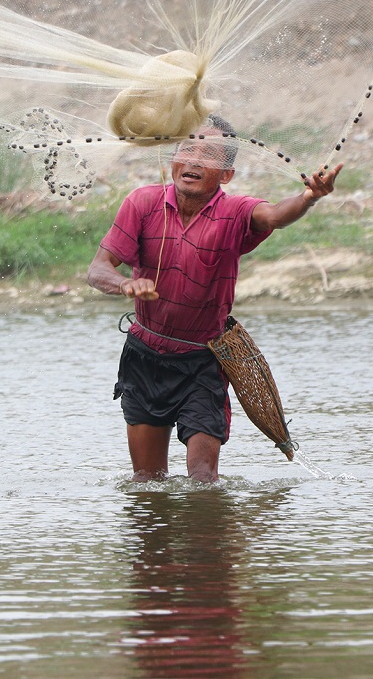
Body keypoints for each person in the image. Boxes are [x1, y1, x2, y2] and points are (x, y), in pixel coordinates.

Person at [87, 115, 341, 483]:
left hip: (202, 361)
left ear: (226, 175)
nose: (192, 159)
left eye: (207, 154)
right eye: (186, 148)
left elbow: (274, 215)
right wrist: (124, 285)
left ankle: (205, 538)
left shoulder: (235, 213)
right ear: (172, 159)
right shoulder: (142, 203)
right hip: (144, 358)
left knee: (203, 480)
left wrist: (308, 198)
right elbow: (97, 270)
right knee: (146, 481)